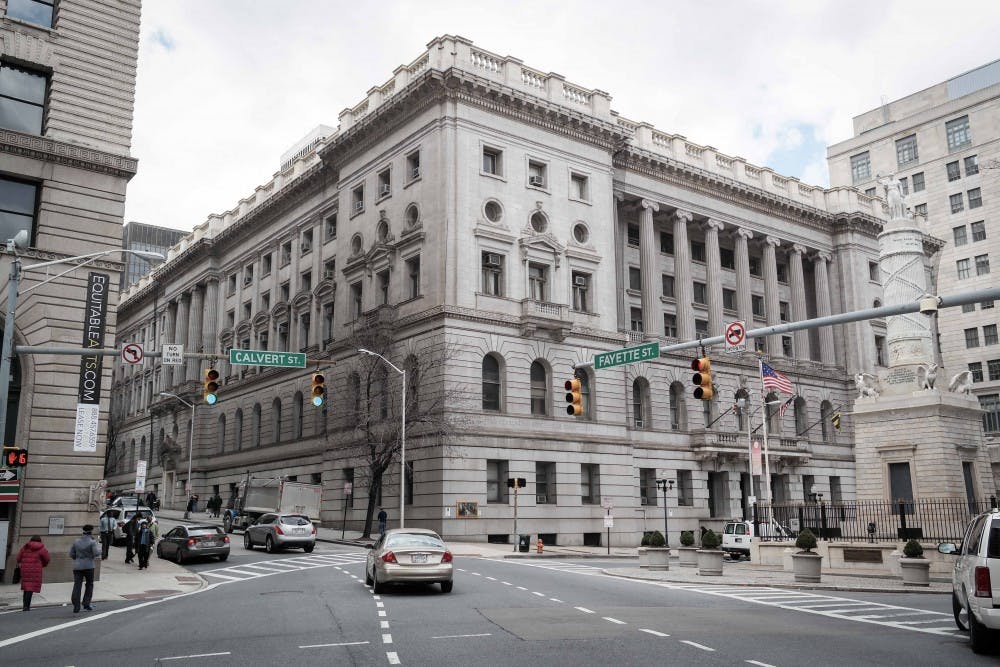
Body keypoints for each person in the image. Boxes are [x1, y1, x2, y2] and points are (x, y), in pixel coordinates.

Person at [70, 524, 100, 613]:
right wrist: (100, 550)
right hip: (89, 566)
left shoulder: (76, 541)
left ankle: (76, 605)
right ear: (91, 531)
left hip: (77, 566)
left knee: (77, 585)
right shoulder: (92, 542)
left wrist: (78, 558)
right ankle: (86, 603)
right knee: (89, 584)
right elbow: (96, 553)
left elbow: (71, 554)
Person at [16, 535, 50, 611]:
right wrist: (42, 564)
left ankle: (25, 605)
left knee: (26, 587)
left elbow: (18, 558)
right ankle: (26, 606)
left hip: (25, 569)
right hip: (36, 570)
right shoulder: (42, 548)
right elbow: (47, 559)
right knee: (30, 587)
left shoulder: (25, 547)